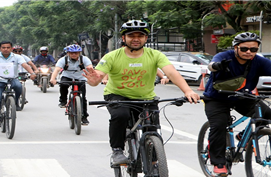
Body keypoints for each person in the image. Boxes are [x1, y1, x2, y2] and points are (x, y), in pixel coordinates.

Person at [83, 20, 199, 165]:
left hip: (146, 98)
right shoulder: (111, 56)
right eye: (131, 36)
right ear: (124, 38)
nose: (136, 39)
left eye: (140, 35)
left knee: (152, 127)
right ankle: (117, 151)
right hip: (118, 96)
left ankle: (154, 161)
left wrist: (188, 91)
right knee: (121, 115)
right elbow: (96, 79)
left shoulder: (155, 55)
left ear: (146, 38)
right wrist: (93, 80)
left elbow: (171, 72)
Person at [203, 32, 271, 175]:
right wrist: (217, 66)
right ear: (235, 48)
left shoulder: (258, 61)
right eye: (244, 49)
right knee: (219, 125)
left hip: (242, 97)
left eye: (253, 49)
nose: (248, 52)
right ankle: (218, 162)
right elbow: (211, 66)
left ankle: (243, 137)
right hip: (217, 98)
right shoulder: (225, 57)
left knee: (266, 114)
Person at [0, 41, 37, 128]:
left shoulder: (17, 57)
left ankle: (15, 102)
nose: (6, 49)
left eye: (8, 47)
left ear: (11, 48)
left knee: (18, 86)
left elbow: (25, 65)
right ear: (0, 48)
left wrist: (32, 73)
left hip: (13, 79)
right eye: (3, 47)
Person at [50, 44, 93, 125]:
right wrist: (53, 79)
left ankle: (84, 117)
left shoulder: (84, 59)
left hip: (81, 78)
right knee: (63, 85)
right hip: (67, 76)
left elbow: (90, 68)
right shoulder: (63, 60)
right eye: (72, 53)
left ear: (79, 53)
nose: (74, 54)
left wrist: (93, 77)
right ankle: (63, 101)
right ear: (68, 53)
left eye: (76, 53)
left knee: (83, 98)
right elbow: (57, 70)